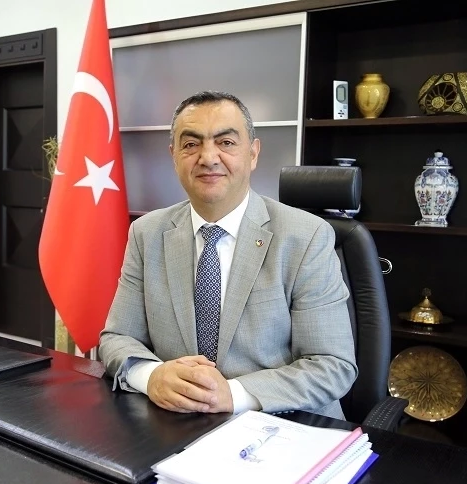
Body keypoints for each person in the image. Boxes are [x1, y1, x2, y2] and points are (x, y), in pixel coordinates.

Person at [98, 90, 357, 419]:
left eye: (226, 142)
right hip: (177, 423)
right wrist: (151, 376)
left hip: (281, 424)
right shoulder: (146, 233)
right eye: (191, 144)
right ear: (174, 156)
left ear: (253, 153)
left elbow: (332, 365)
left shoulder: (306, 236)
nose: (208, 157)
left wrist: (232, 394)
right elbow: (117, 338)